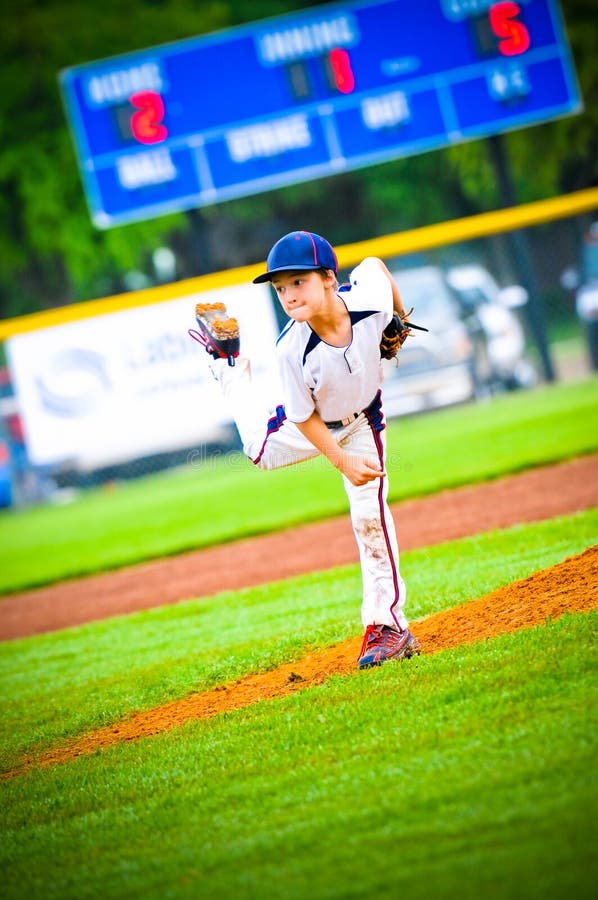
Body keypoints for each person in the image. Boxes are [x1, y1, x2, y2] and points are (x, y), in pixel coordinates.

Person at [190, 230, 420, 669]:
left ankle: (388, 627)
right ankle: (227, 364)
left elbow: (375, 265)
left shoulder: (368, 302)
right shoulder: (291, 350)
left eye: (298, 281)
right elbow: (302, 418)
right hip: (312, 424)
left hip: (365, 419)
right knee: (259, 451)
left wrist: (398, 317)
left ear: (330, 278)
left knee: (370, 517)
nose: (289, 295)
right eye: (280, 288)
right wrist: (341, 460)